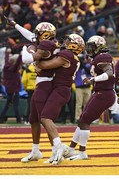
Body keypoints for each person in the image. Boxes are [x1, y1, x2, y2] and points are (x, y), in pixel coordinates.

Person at [6, 18, 61, 163]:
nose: (35, 36)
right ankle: (36, 150)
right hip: (42, 84)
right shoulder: (49, 42)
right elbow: (30, 36)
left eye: (39, 33)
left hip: (46, 84)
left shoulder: (47, 45)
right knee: (34, 119)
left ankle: (56, 149)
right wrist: (16, 25)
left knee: (45, 119)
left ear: (45, 35)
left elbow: (26, 59)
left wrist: (26, 48)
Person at [35, 33, 85, 165]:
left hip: (61, 90)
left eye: (69, 41)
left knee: (45, 118)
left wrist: (36, 59)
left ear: (74, 45)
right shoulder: (72, 56)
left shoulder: (67, 55)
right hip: (61, 89)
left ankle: (59, 147)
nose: (65, 42)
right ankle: (55, 152)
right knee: (45, 118)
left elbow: (45, 66)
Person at [64, 35, 116, 160]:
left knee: (85, 120)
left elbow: (109, 73)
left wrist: (93, 79)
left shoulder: (103, 57)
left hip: (104, 93)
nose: (89, 49)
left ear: (99, 47)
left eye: (92, 47)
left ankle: (82, 152)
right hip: (100, 92)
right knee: (82, 119)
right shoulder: (98, 58)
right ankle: (71, 149)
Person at [0, 48, 22, 123]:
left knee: (8, 104)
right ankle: (18, 120)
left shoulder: (6, 67)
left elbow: (6, 59)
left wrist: (7, 53)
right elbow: (17, 63)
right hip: (14, 89)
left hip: (9, 89)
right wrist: (21, 56)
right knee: (15, 105)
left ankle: (1, 118)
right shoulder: (13, 69)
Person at [74, 54, 91, 123]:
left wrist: (83, 64)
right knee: (79, 103)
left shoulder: (87, 66)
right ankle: (78, 118)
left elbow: (89, 71)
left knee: (87, 104)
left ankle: (86, 117)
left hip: (87, 87)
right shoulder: (77, 67)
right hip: (79, 87)